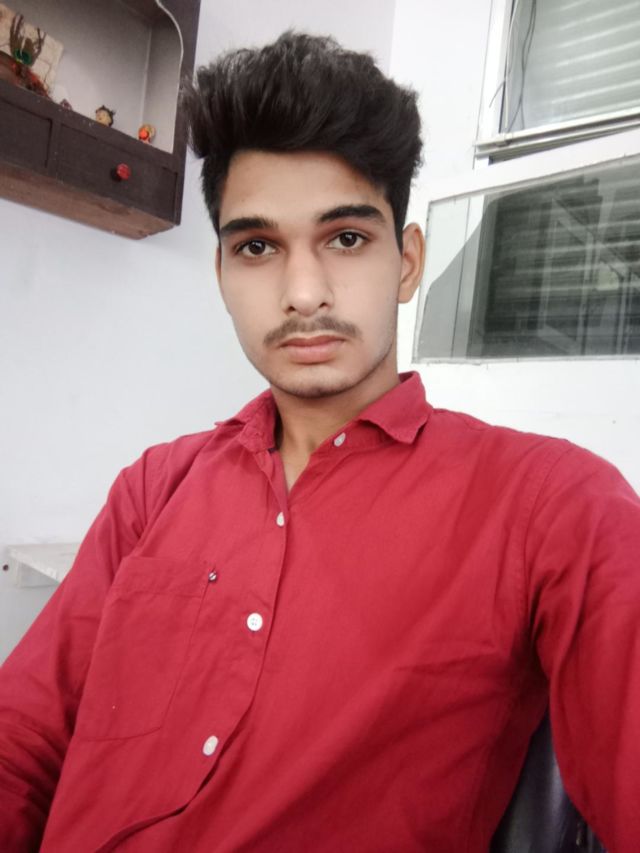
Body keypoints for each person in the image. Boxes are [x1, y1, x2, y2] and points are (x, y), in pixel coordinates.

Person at [1, 31, 639, 853]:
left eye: (345, 238)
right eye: (257, 247)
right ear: (223, 275)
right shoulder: (155, 487)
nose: (303, 294)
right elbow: (23, 743)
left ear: (407, 261)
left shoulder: (550, 503)